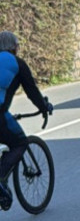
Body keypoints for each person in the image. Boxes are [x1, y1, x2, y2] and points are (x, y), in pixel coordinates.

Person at [0, 31, 53, 211]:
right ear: (13, 47)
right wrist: (44, 107)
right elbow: (32, 91)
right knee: (20, 143)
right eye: (18, 46)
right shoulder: (18, 64)